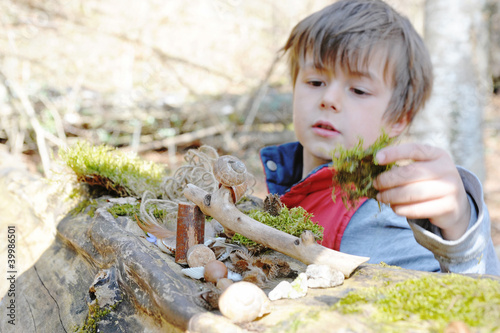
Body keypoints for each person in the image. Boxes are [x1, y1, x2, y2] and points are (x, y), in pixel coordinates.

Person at [260, 0, 500, 274]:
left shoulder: (382, 214)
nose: (329, 99)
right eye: (316, 82)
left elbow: (476, 302)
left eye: (359, 90)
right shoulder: (285, 181)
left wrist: (460, 230)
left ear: (399, 119)